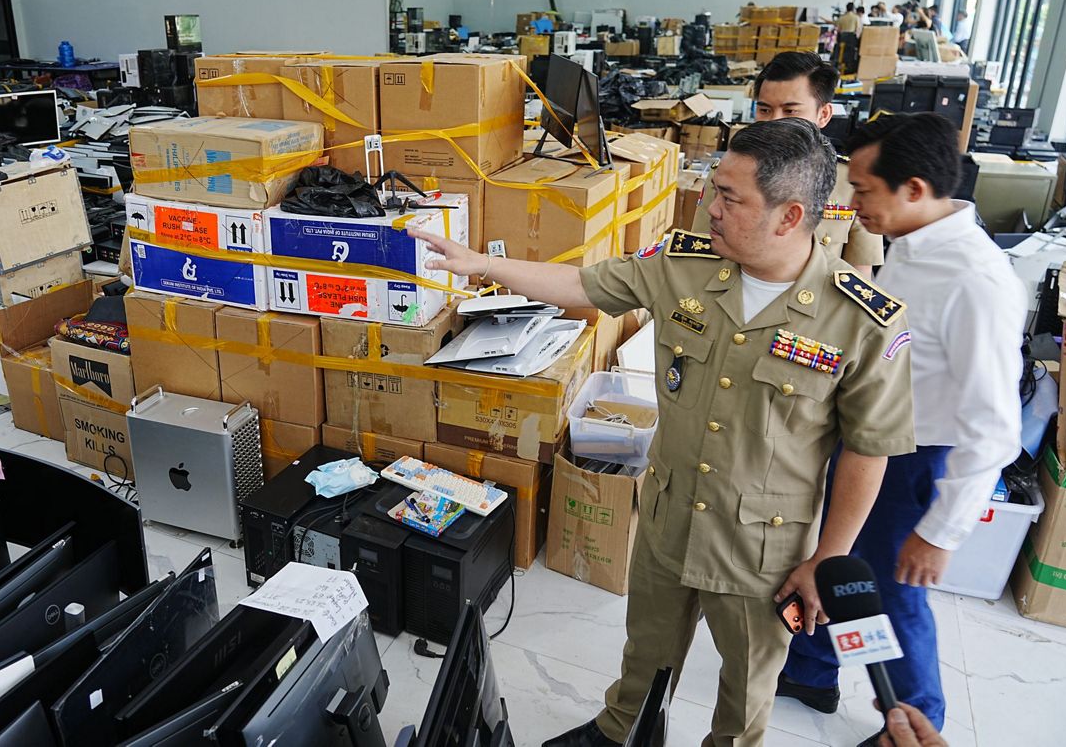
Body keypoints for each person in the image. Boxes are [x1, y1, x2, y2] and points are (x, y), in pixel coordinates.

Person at [413, 118, 917, 747]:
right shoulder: (683, 265)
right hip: (669, 517)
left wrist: (827, 557)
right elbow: (583, 285)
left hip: (761, 550)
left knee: (747, 687)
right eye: (713, 189)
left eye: (729, 197)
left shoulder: (862, 320)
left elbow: (868, 452)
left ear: (789, 217)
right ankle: (620, 731)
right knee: (647, 650)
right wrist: (481, 263)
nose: (710, 206)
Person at [777, 112, 1025, 743]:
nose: (853, 203)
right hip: (873, 440)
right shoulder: (913, 243)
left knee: (892, 594)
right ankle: (811, 669)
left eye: (863, 190)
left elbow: (995, 429)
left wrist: (940, 533)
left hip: (917, 460)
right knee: (834, 560)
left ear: (913, 188)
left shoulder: (975, 281)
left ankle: (917, 721)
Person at [692, 51, 885, 277]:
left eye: (790, 111)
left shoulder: (853, 183)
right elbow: (699, 254)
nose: (774, 122)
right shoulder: (725, 176)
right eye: (765, 110)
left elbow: (859, 275)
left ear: (823, 114)